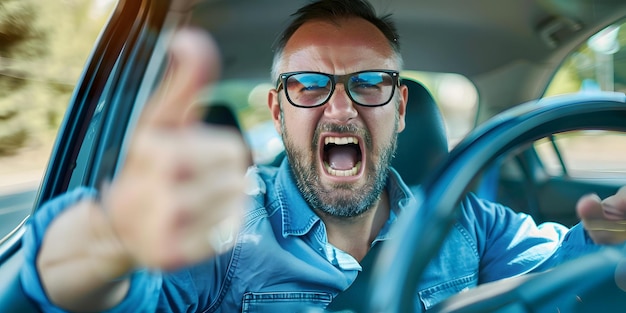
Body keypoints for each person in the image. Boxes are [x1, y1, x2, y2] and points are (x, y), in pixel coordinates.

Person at [20, 0, 626, 312]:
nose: (340, 110)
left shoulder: (467, 220)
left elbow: (563, 271)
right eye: (310, 84)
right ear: (279, 113)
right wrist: (102, 242)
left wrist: (608, 239)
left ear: (401, 110)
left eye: (369, 83)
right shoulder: (222, 228)